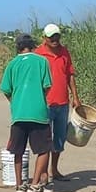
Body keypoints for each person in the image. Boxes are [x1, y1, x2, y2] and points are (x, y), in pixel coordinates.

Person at [0, 33, 54, 192]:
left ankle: (19, 185)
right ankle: (35, 184)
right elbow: (47, 86)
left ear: (18, 47)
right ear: (33, 46)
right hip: (38, 112)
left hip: (19, 113)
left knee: (18, 150)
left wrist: (15, 103)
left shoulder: (12, 64)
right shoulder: (42, 61)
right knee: (44, 149)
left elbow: (6, 90)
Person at [35, 23, 80, 181]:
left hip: (62, 103)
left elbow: (70, 76)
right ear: (44, 38)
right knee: (45, 138)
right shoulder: (38, 54)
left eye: (57, 36)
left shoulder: (64, 52)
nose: (55, 39)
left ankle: (54, 169)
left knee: (59, 138)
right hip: (45, 103)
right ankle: (43, 171)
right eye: (51, 37)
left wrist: (75, 97)